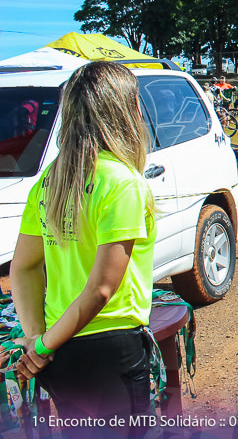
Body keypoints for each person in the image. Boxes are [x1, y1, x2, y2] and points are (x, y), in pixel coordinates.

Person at [11, 61, 156, 425]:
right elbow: (101, 290)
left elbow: (23, 266)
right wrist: (39, 346)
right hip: (110, 349)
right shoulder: (122, 182)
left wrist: (35, 340)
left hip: (61, 351)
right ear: (127, 109)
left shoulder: (50, 179)